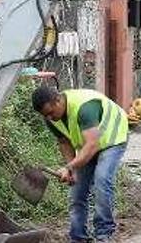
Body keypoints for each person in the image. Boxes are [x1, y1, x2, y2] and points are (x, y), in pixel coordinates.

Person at [32, 85, 129, 243]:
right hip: (90, 143)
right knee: (77, 191)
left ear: (58, 100)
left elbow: (92, 145)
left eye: (50, 113)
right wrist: (72, 170)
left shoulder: (85, 108)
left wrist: (69, 167)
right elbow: (64, 142)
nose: (49, 118)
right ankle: (78, 237)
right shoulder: (50, 118)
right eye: (45, 115)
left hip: (112, 138)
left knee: (102, 180)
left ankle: (104, 234)